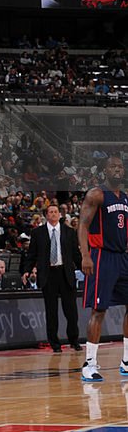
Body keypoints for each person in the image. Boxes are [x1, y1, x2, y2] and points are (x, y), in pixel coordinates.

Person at [78, 154, 128, 381]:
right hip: (101, 257)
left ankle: (126, 361)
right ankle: (90, 364)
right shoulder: (96, 194)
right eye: (113, 167)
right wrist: (86, 255)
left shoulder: (125, 198)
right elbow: (83, 226)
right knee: (99, 310)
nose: (118, 170)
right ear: (105, 170)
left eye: (120, 167)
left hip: (122, 257)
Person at [22, 204, 81, 354]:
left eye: (56, 212)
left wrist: (85, 268)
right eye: (51, 212)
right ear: (46, 215)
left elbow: (76, 254)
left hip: (65, 273)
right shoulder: (37, 233)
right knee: (51, 312)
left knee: (71, 312)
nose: (54, 214)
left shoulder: (69, 232)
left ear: (60, 215)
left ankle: (74, 340)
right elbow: (32, 255)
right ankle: (55, 344)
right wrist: (26, 271)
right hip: (48, 274)